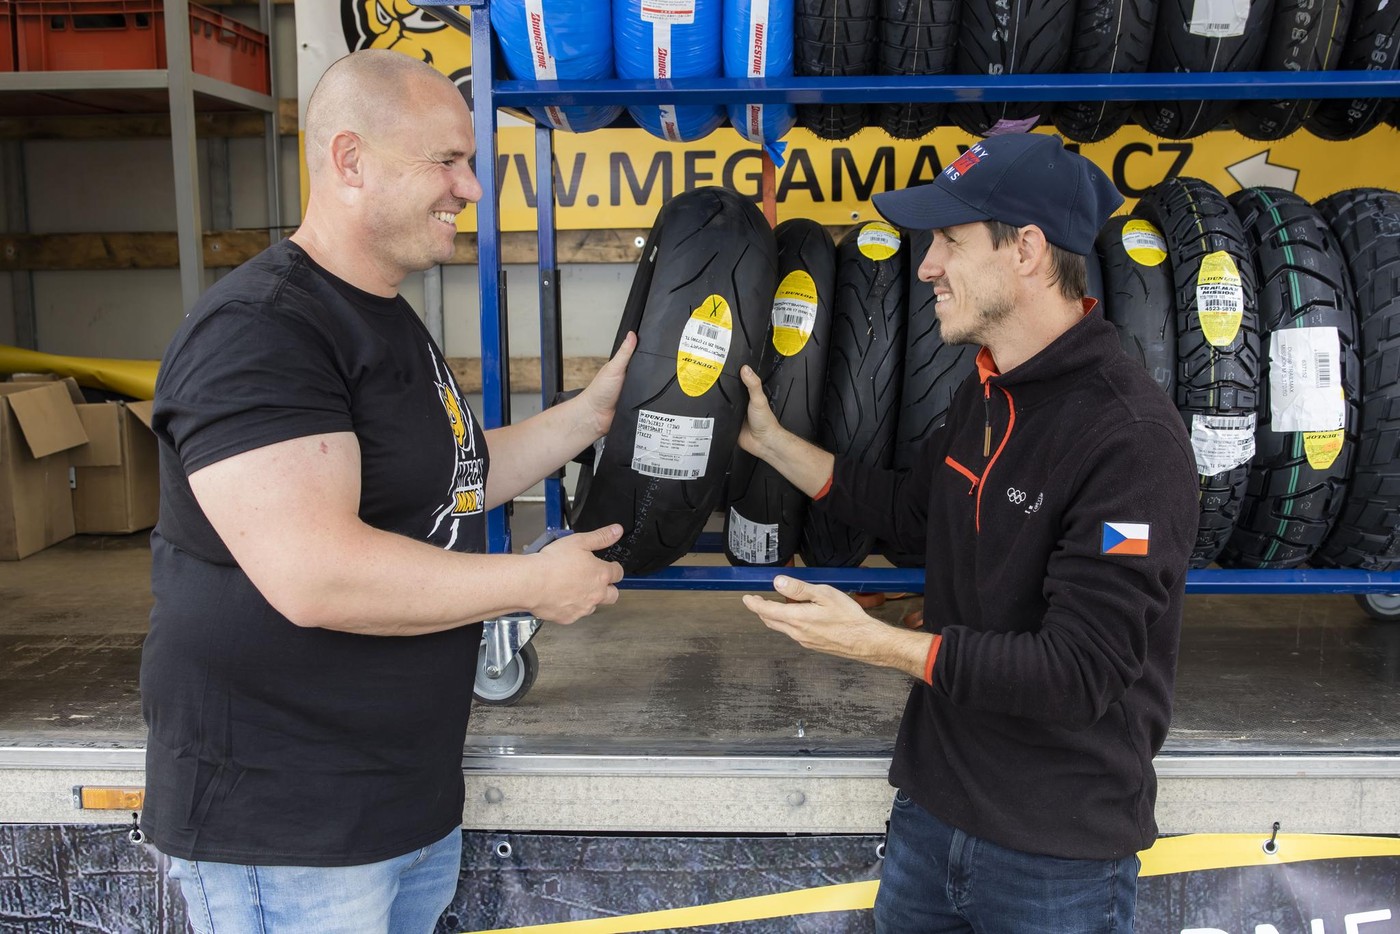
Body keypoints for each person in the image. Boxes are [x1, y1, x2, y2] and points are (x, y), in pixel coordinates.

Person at [140, 49, 633, 933]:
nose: (471, 188)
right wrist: (532, 583)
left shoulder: (382, 314)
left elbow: (452, 479)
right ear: (350, 160)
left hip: (398, 804)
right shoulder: (262, 331)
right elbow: (317, 574)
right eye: (447, 161)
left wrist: (590, 415)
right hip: (286, 828)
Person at [738, 132, 1200, 933]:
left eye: (950, 241)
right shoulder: (982, 394)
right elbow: (912, 514)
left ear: (1026, 251)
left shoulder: (1131, 440)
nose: (926, 267)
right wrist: (772, 443)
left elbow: (1079, 672)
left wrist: (876, 644)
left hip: (1055, 857)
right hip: (931, 818)